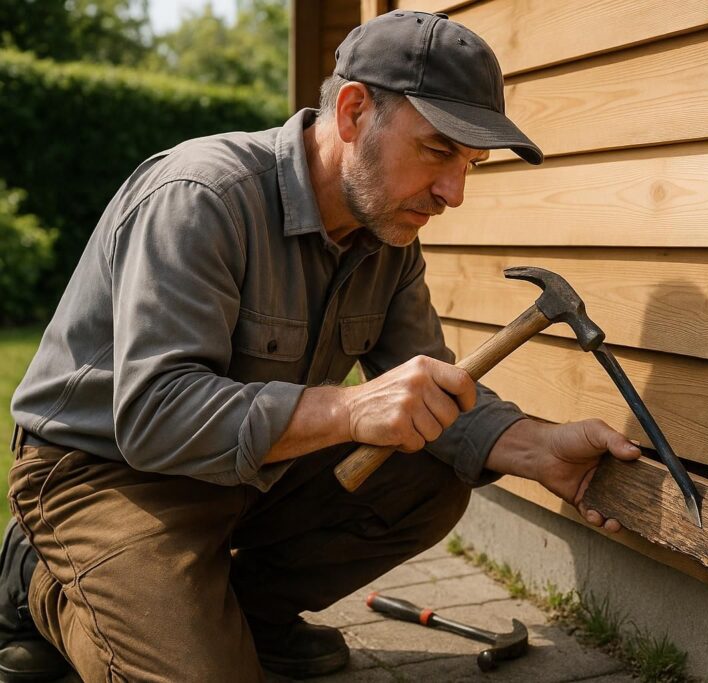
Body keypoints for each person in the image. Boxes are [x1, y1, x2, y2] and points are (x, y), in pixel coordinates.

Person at [1, 10, 640, 682]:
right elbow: (155, 416)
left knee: (431, 470)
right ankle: (45, 583)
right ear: (355, 111)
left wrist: (543, 450)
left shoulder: (389, 239)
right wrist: (350, 409)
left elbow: (432, 399)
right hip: (104, 473)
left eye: (470, 164)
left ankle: (242, 612)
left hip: (247, 474)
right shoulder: (202, 196)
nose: (454, 192)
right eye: (438, 150)